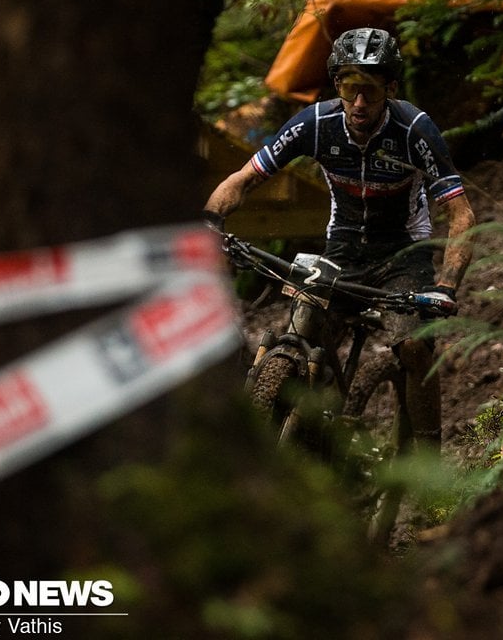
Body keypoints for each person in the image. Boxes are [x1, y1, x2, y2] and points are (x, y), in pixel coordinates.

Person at [204, 27, 477, 452]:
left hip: (403, 253)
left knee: (414, 348)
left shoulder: (414, 130)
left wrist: (446, 286)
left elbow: (461, 213)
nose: (360, 102)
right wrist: (210, 221)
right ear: (338, 86)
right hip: (343, 249)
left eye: (370, 89)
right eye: (351, 88)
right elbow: (244, 180)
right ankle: (306, 434)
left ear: (390, 87)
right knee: (300, 329)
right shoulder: (316, 123)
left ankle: (429, 463)